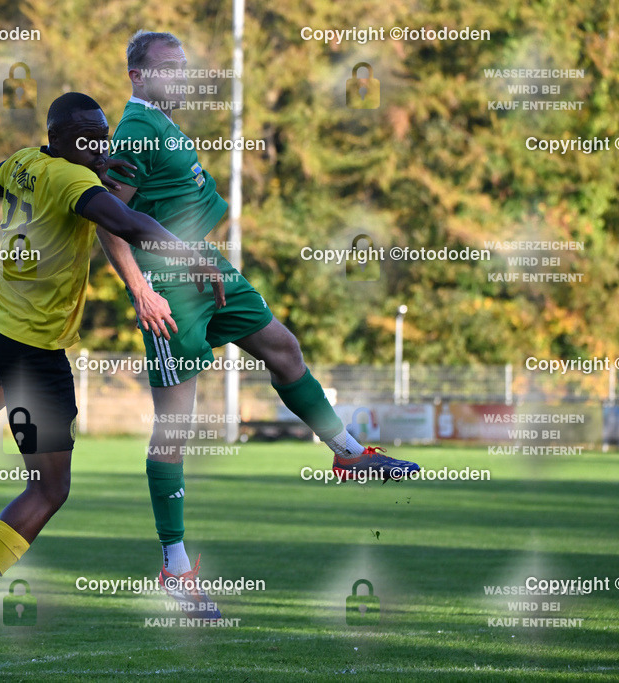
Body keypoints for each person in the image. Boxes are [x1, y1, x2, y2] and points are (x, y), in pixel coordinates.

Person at [0, 91, 225, 675]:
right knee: (49, 491)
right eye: (94, 136)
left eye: (107, 133)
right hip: (34, 347)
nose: (105, 144)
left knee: (5, 380)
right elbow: (125, 221)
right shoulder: (74, 181)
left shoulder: (26, 160)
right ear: (70, 139)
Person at [94, 30, 421, 616]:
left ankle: (347, 453)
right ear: (138, 77)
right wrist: (141, 290)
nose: (181, 77)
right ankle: (175, 567)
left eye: (185, 66)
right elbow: (108, 220)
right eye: (168, 68)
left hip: (207, 270)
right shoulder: (134, 132)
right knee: (175, 429)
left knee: (284, 349)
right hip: (169, 291)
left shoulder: (165, 123)